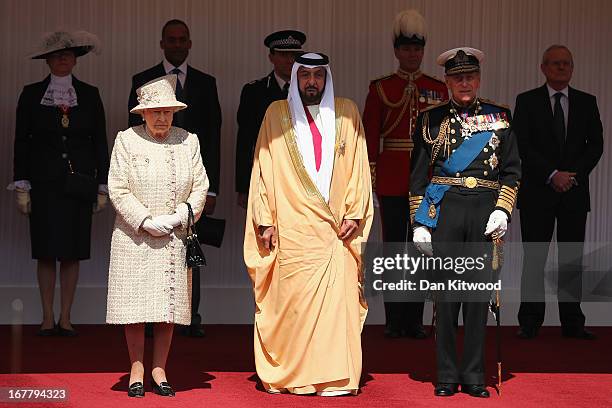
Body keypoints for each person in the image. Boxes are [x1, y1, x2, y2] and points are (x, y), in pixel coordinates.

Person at [244, 53, 373, 396]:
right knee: (294, 307)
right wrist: (264, 219)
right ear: (296, 78)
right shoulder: (276, 113)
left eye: (318, 75)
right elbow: (262, 168)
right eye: (305, 76)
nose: (311, 82)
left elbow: (360, 165)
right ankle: (294, 376)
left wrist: (356, 212)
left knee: (335, 309)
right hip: (292, 229)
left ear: (326, 78)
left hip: (335, 232)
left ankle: (335, 378)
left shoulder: (347, 112)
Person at [410, 47, 520, 398]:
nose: (464, 83)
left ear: (479, 79)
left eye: (470, 76)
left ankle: (474, 374)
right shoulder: (430, 120)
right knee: (446, 299)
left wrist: (502, 210)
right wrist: (420, 223)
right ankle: (445, 374)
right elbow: (417, 178)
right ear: (446, 81)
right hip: (447, 213)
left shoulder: (499, 117)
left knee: (477, 299)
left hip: (485, 213)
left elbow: (513, 171)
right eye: (457, 77)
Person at [107, 74, 208, 397]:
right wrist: (146, 220)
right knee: (135, 307)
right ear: (143, 113)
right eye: (155, 112)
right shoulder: (126, 139)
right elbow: (118, 188)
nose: (162, 117)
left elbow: (201, 186)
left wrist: (180, 217)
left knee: (168, 306)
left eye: (167, 111)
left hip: (174, 236)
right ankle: (136, 367)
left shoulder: (188, 140)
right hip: (134, 236)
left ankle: (159, 367)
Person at [10, 30, 109, 337]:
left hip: (79, 184)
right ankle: (46, 317)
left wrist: (102, 186)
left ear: (75, 59)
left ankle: (66, 317)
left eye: (67, 54)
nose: (63, 59)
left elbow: (99, 142)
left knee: (71, 251)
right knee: (45, 251)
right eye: (56, 55)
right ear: (48, 60)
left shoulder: (90, 94)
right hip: (43, 183)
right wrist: (22, 184)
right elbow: (21, 142)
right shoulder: (30, 94)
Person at [128, 19, 221, 337]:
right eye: (172, 39)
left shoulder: (206, 83)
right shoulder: (142, 80)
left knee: (189, 249)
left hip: (190, 180)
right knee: (151, 249)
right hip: (150, 181)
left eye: (183, 39)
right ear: (162, 43)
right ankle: (152, 316)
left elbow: (213, 137)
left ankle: (189, 316)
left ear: (190, 43)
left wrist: (212, 191)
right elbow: (134, 135)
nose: (178, 44)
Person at [363, 9, 448, 339]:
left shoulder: (438, 89)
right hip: (392, 179)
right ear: (396, 51)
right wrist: (370, 180)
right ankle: (393, 319)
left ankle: (414, 319)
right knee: (394, 249)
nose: (412, 54)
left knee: (422, 249)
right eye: (406, 49)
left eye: (417, 49)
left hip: (427, 181)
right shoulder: (381, 88)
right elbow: (370, 136)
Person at [514, 45, 603, 340]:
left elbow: (596, 146)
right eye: (555, 64)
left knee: (571, 259)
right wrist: (552, 174)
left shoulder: (587, 102)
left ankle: (572, 322)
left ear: (572, 68)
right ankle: (529, 320)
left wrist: (570, 176)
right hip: (537, 193)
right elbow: (522, 146)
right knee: (534, 258)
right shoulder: (526, 102)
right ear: (543, 68)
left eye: (566, 63)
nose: (561, 68)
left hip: (574, 194)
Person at [235, 30, 306, 209]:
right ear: (271, 57)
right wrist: (243, 186)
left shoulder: (311, 90)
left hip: (304, 175)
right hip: (267, 174)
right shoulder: (254, 92)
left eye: (295, 55)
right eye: (283, 55)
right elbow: (245, 140)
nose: (290, 60)